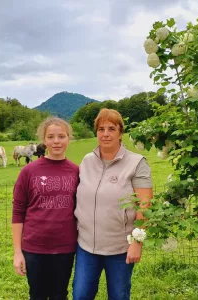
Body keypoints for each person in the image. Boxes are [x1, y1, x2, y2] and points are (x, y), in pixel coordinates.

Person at [73, 108, 153, 300]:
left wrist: (137, 243)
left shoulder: (137, 163)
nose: (106, 134)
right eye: (101, 129)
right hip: (86, 247)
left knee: (118, 296)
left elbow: (145, 206)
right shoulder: (87, 161)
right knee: (80, 295)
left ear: (120, 132)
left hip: (120, 248)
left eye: (111, 128)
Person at [12, 117, 79, 300]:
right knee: (37, 294)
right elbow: (18, 212)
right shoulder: (29, 171)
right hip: (34, 247)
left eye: (61, 136)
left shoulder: (77, 171)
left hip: (65, 247)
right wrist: (18, 252)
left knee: (59, 294)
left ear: (68, 138)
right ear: (44, 140)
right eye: (51, 137)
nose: (56, 141)